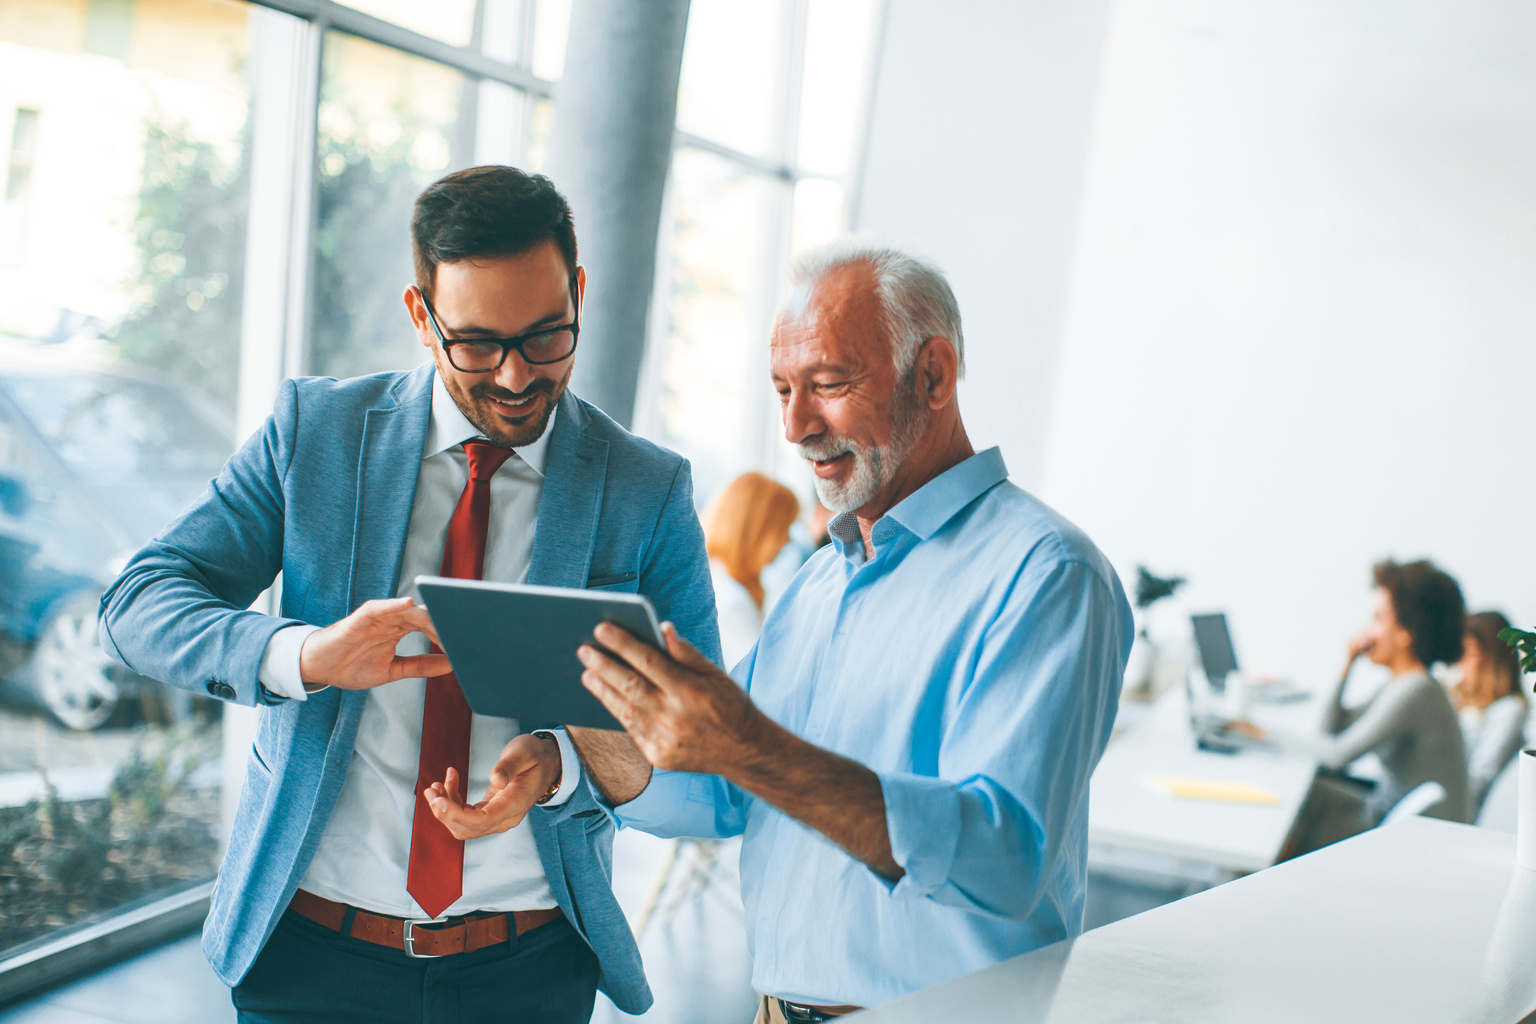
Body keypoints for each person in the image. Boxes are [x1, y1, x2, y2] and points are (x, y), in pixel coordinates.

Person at [430, 242, 1133, 1019]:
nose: (797, 425)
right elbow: (724, 796)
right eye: (783, 390)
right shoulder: (820, 581)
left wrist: (747, 745)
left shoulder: (1045, 574)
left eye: (829, 385)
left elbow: (1002, 860)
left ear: (933, 375)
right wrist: (580, 724)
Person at [97, 166, 719, 1023]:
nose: (513, 377)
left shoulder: (646, 490)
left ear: (578, 292)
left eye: (546, 337)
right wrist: (304, 655)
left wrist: (565, 765)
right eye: (476, 344)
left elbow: (702, 746)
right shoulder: (315, 434)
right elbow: (138, 601)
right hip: (309, 961)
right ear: (421, 317)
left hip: (529, 968)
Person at [1239, 559, 1470, 853]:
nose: (1367, 631)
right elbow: (1329, 729)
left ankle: (1251, 877)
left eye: (1377, 619)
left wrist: (1260, 732)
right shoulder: (1402, 684)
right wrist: (1347, 664)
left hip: (1399, 835)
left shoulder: (1417, 691)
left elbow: (1337, 756)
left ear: (1405, 633)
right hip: (1385, 814)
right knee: (1309, 791)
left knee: (1304, 799)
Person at [702, 471, 800, 667]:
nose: (787, 541)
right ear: (758, 531)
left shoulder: (715, 580)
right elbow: (762, 682)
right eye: (784, 529)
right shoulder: (731, 601)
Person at [1452, 610, 1528, 817]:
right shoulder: (1459, 699)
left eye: (1467, 652)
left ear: (1491, 658)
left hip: (1466, 814)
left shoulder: (1510, 710)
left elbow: (1480, 778)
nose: (1460, 661)